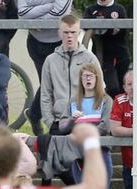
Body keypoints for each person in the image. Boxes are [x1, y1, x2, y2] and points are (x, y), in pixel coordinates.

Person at [40, 12, 101, 136]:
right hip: (59, 121)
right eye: (66, 32)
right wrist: (50, 122)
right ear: (59, 33)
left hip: (84, 120)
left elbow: (99, 90)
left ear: (78, 33)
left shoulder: (90, 58)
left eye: (73, 32)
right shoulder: (50, 60)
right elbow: (46, 94)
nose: (69, 36)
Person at [18, 0, 73, 135]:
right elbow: (22, 12)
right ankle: (39, 118)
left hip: (60, 42)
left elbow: (60, 12)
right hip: (36, 43)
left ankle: (40, 117)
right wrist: (49, 6)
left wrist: (35, 20)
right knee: (47, 84)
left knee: (57, 84)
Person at [83, 0, 129, 98]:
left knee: (123, 84)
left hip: (120, 54)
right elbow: (86, 28)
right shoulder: (91, 10)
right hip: (102, 55)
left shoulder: (119, 9)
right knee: (111, 87)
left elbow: (125, 30)